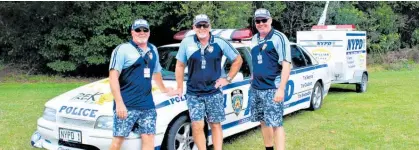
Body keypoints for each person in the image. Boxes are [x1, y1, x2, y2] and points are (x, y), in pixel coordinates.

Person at [169, 14, 243, 150]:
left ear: (210, 27)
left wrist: (227, 79)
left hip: (214, 92)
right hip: (194, 93)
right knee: (197, 126)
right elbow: (179, 66)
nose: (202, 28)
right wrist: (179, 86)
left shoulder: (219, 42)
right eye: (199, 25)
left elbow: (238, 60)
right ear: (193, 27)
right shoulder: (187, 43)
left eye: (205, 25)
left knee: (215, 124)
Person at [108, 19, 172, 150]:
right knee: (117, 141)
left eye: (145, 30)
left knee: (149, 139)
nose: (141, 33)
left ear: (149, 32)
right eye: (138, 30)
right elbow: (113, 78)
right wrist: (119, 104)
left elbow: (156, 72)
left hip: (147, 105)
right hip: (127, 105)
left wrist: (164, 89)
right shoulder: (122, 49)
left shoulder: (153, 49)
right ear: (132, 32)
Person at [249, 8, 292, 150]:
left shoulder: (279, 37)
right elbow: (257, 62)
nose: (261, 23)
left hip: (272, 89)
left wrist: (281, 89)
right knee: (263, 121)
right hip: (256, 88)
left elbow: (286, 65)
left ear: (270, 20)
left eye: (264, 20)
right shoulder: (254, 39)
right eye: (258, 21)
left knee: (276, 124)